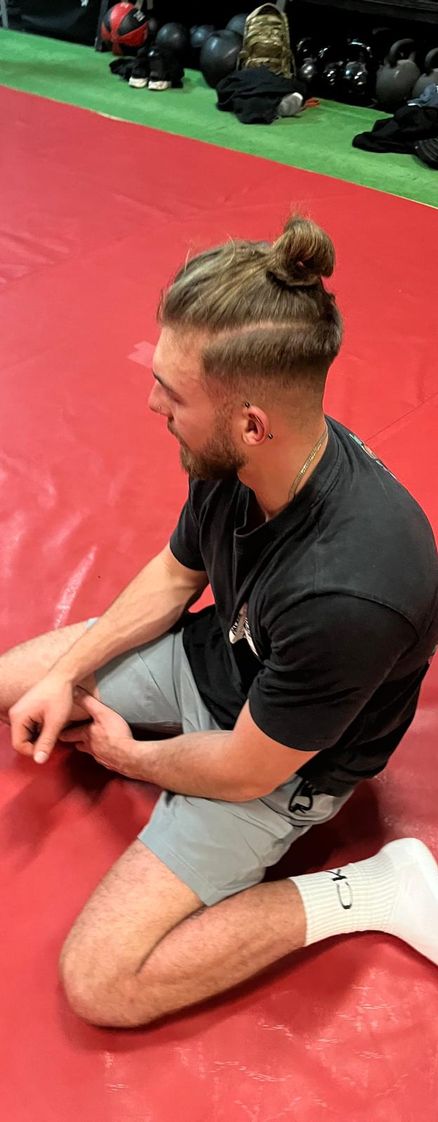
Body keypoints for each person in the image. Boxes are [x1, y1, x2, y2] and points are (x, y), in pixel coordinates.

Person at [1, 215, 437, 1029]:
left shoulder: (352, 593)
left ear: (249, 424)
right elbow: (176, 573)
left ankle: (370, 888)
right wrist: (66, 675)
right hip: (220, 662)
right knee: (15, 683)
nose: (151, 400)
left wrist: (136, 755)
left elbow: (246, 772)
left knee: (103, 984)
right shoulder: (236, 456)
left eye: (172, 391)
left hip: (280, 766)